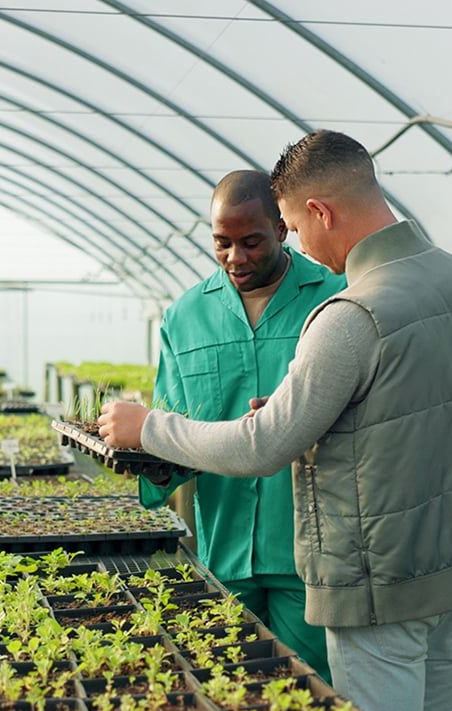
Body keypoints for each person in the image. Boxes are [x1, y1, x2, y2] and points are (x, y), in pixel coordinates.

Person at [99, 130, 452, 711]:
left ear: (321, 212)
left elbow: (263, 443)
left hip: (382, 573)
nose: (300, 246)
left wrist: (148, 427)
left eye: (293, 227)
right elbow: (429, 408)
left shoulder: (351, 312)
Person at [140, 169, 346, 681]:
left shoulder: (336, 298)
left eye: (251, 242)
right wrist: (150, 462)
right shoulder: (185, 316)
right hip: (224, 546)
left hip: (311, 548)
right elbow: (172, 424)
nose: (236, 257)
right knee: (232, 687)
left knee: (310, 689)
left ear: (282, 229)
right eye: (222, 243)